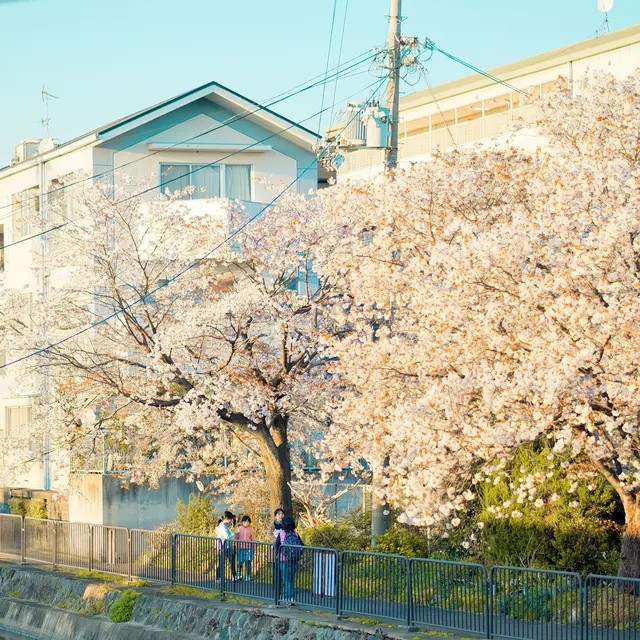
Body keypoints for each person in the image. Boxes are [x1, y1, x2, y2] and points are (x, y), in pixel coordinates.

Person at [274, 515, 304, 604]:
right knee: (290, 579)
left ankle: (290, 598)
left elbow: (276, 545)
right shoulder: (295, 534)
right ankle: (289, 597)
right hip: (294, 560)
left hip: (284, 560)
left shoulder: (281, 534)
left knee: (286, 579)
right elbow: (302, 545)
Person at [215, 511, 238, 582]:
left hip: (227, 546)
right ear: (227, 518)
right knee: (222, 562)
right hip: (223, 546)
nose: (231, 521)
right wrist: (235, 533)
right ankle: (219, 578)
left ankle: (234, 576)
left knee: (231, 560)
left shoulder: (225, 525)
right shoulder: (222, 527)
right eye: (230, 519)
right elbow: (227, 536)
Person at [236, 515, 255, 581]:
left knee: (248, 562)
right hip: (240, 547)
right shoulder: (239, 528)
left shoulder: (251, 528)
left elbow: (253, 538)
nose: (246, 523)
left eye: (248, 521)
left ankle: (248, 576)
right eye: (245, 521)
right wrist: (236, 545)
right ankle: (238, 575)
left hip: (249, 548)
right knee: (240, 562)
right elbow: (236, 537)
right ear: (242, 522)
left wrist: (253, 546)